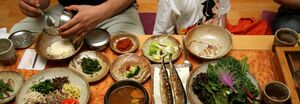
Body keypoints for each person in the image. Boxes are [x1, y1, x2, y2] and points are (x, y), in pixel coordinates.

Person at [11, 0, 144, 38]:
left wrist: (101, 12)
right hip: (66, 9)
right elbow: (44, 2)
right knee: (17, 35)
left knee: (132, 51)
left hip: (114, 10)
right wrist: (34, 4)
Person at [153, 0, 231, 35]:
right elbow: (162, 34)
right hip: (185, 35)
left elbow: (222, 11)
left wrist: (221, 34)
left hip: (212, 30)